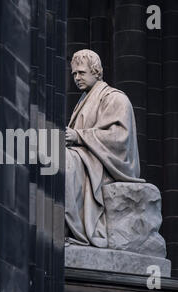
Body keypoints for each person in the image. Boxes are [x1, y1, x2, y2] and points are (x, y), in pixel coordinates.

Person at [65, 49, 144, 247]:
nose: (77, 78)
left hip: (105, 165)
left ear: (96, 71)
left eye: (81, 72)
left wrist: (79, 136)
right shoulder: (82, 101)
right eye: (74, 74)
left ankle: (76, 230)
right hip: (86, 158)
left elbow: (119, 138)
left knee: (64, 162)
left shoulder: (116, 98)